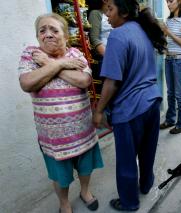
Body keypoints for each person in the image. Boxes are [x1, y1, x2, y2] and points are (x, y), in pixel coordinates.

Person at [18, 13, 103, 213]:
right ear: (37, 36)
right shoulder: (31, 54)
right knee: (60, 177)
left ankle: (85, 192)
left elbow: (84, 81)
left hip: (82, 133)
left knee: (85, 169)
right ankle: (64, 203)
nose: (47, 34)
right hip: (53, 139)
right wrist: (60, 64)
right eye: (42, 30)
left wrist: (49, 63)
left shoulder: (75, 55)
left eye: (54, 30)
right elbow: (27, 83)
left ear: (65, 37)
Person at [92, 0, 166, 211]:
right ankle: (145, 184)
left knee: (126, 161)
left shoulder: (117, 35)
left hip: (131, 108)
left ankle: (129, 202)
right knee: (147, 151)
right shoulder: (141, 30)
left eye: (110, 10)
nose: (107, 16)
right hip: (152, 102)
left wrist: (98, 111)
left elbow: (112, 81)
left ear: (123, 12)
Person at [159, 0, 181, 134]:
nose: (168, 4)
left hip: (179, 61)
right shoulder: (169, 20)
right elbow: (166, 40)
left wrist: (168, 31)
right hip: (169, 59)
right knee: (170, 93)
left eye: (171, 1)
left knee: (179, 93)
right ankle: (170, 119)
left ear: (179, 2)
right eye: (167, 2)